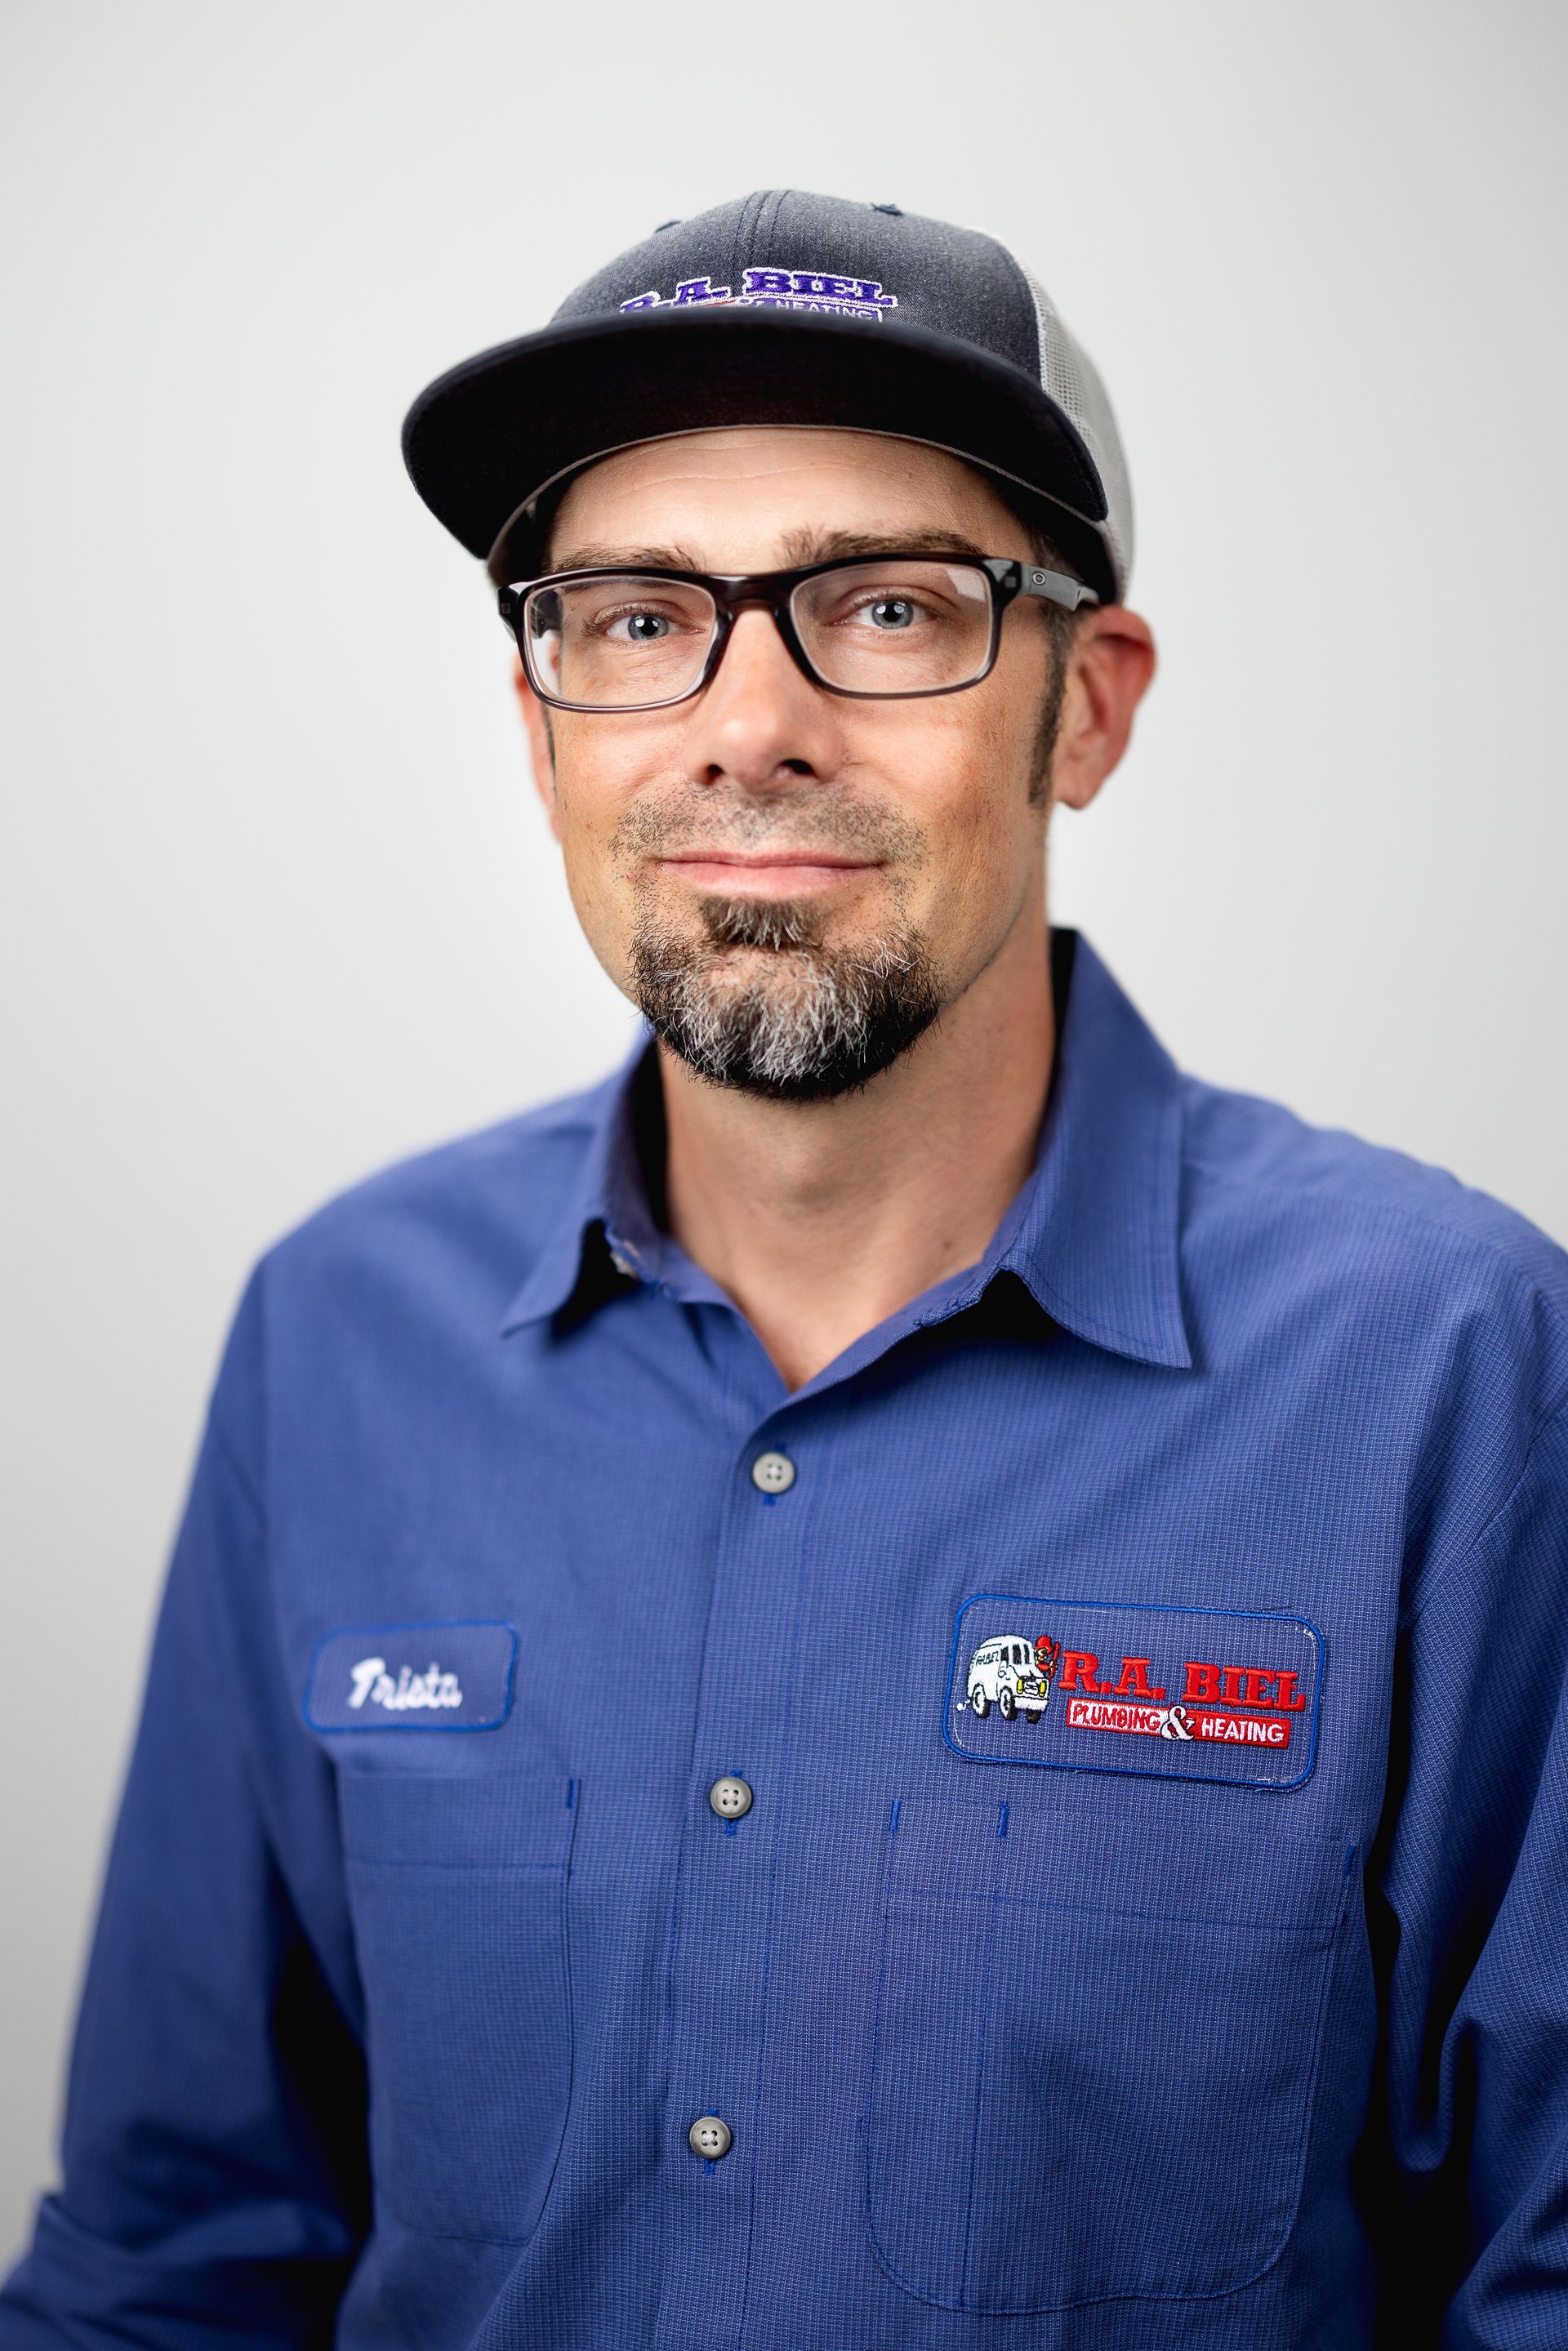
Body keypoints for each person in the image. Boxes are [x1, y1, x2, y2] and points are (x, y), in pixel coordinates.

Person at [5, 189, 1567, 2351]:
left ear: (1086, 710)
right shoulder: (336, 1339)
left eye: (889, 606)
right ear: (545, 727)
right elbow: (177, 2257)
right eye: (638, 618)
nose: (747, 724)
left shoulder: (1449, 1370)